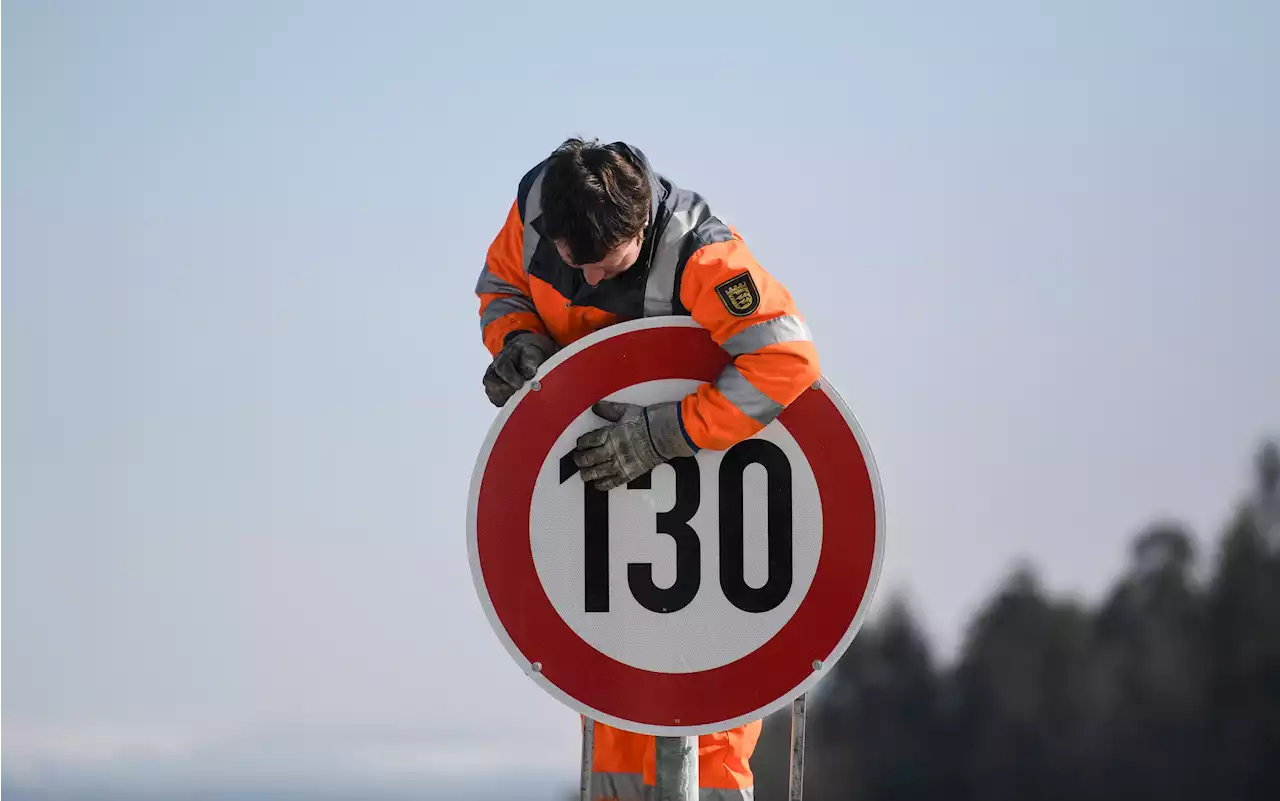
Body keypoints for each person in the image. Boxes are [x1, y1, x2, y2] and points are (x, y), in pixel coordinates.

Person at [475, 137, 821, 800]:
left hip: (711, 533)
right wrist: (518, 341)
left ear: (640, 228)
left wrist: (670, 433)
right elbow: (500, 287)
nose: (591, 280)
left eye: (606, 264)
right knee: (611, 716)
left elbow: (787, 359)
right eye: (575, 262)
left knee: (708, 727)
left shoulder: (703, 254)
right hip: (603, 524)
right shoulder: (535, 207)